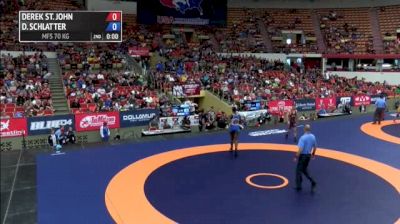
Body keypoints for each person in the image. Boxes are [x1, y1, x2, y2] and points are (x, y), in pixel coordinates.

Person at [294, 124, 317, 191]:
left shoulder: (303, 138)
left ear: (304, 129)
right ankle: (312, 181)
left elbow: (300, 149)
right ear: (309, 129)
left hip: (303, 156)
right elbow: (315, 147)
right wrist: (313, 154)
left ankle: (299, 186)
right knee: (304, 170)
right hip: (308, 156)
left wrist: (296, 156)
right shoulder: (313, 136)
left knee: (298, 171)